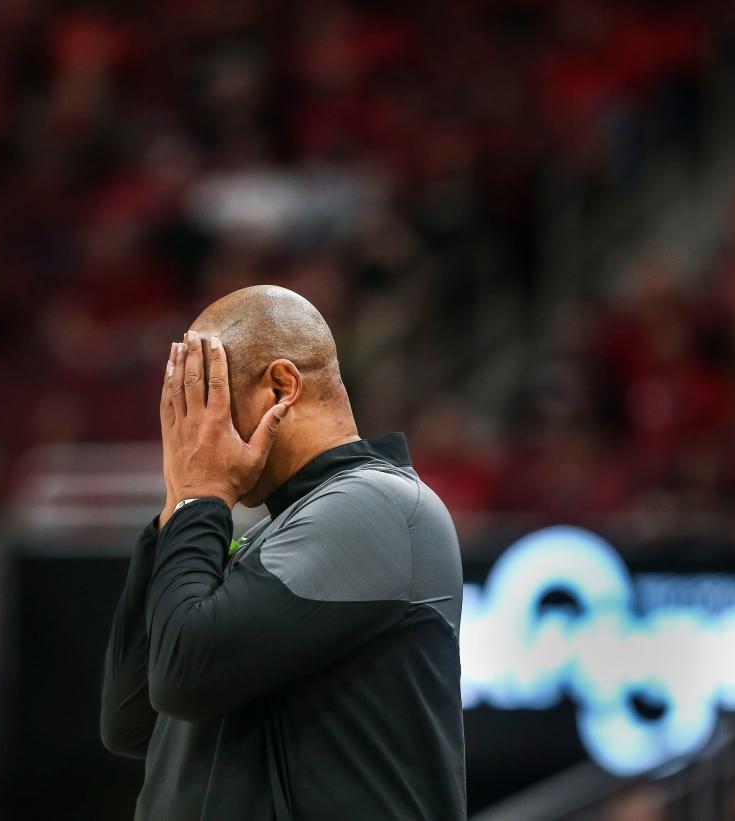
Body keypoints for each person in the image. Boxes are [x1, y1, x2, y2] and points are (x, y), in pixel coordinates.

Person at [100, 285, 466, 819]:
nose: (190, 432)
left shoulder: (379, 505)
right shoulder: (269, 534)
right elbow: (131, 717)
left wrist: (201, 497)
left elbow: (184, 674)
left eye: (205, 400)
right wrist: (179, 506)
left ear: (280, 387)